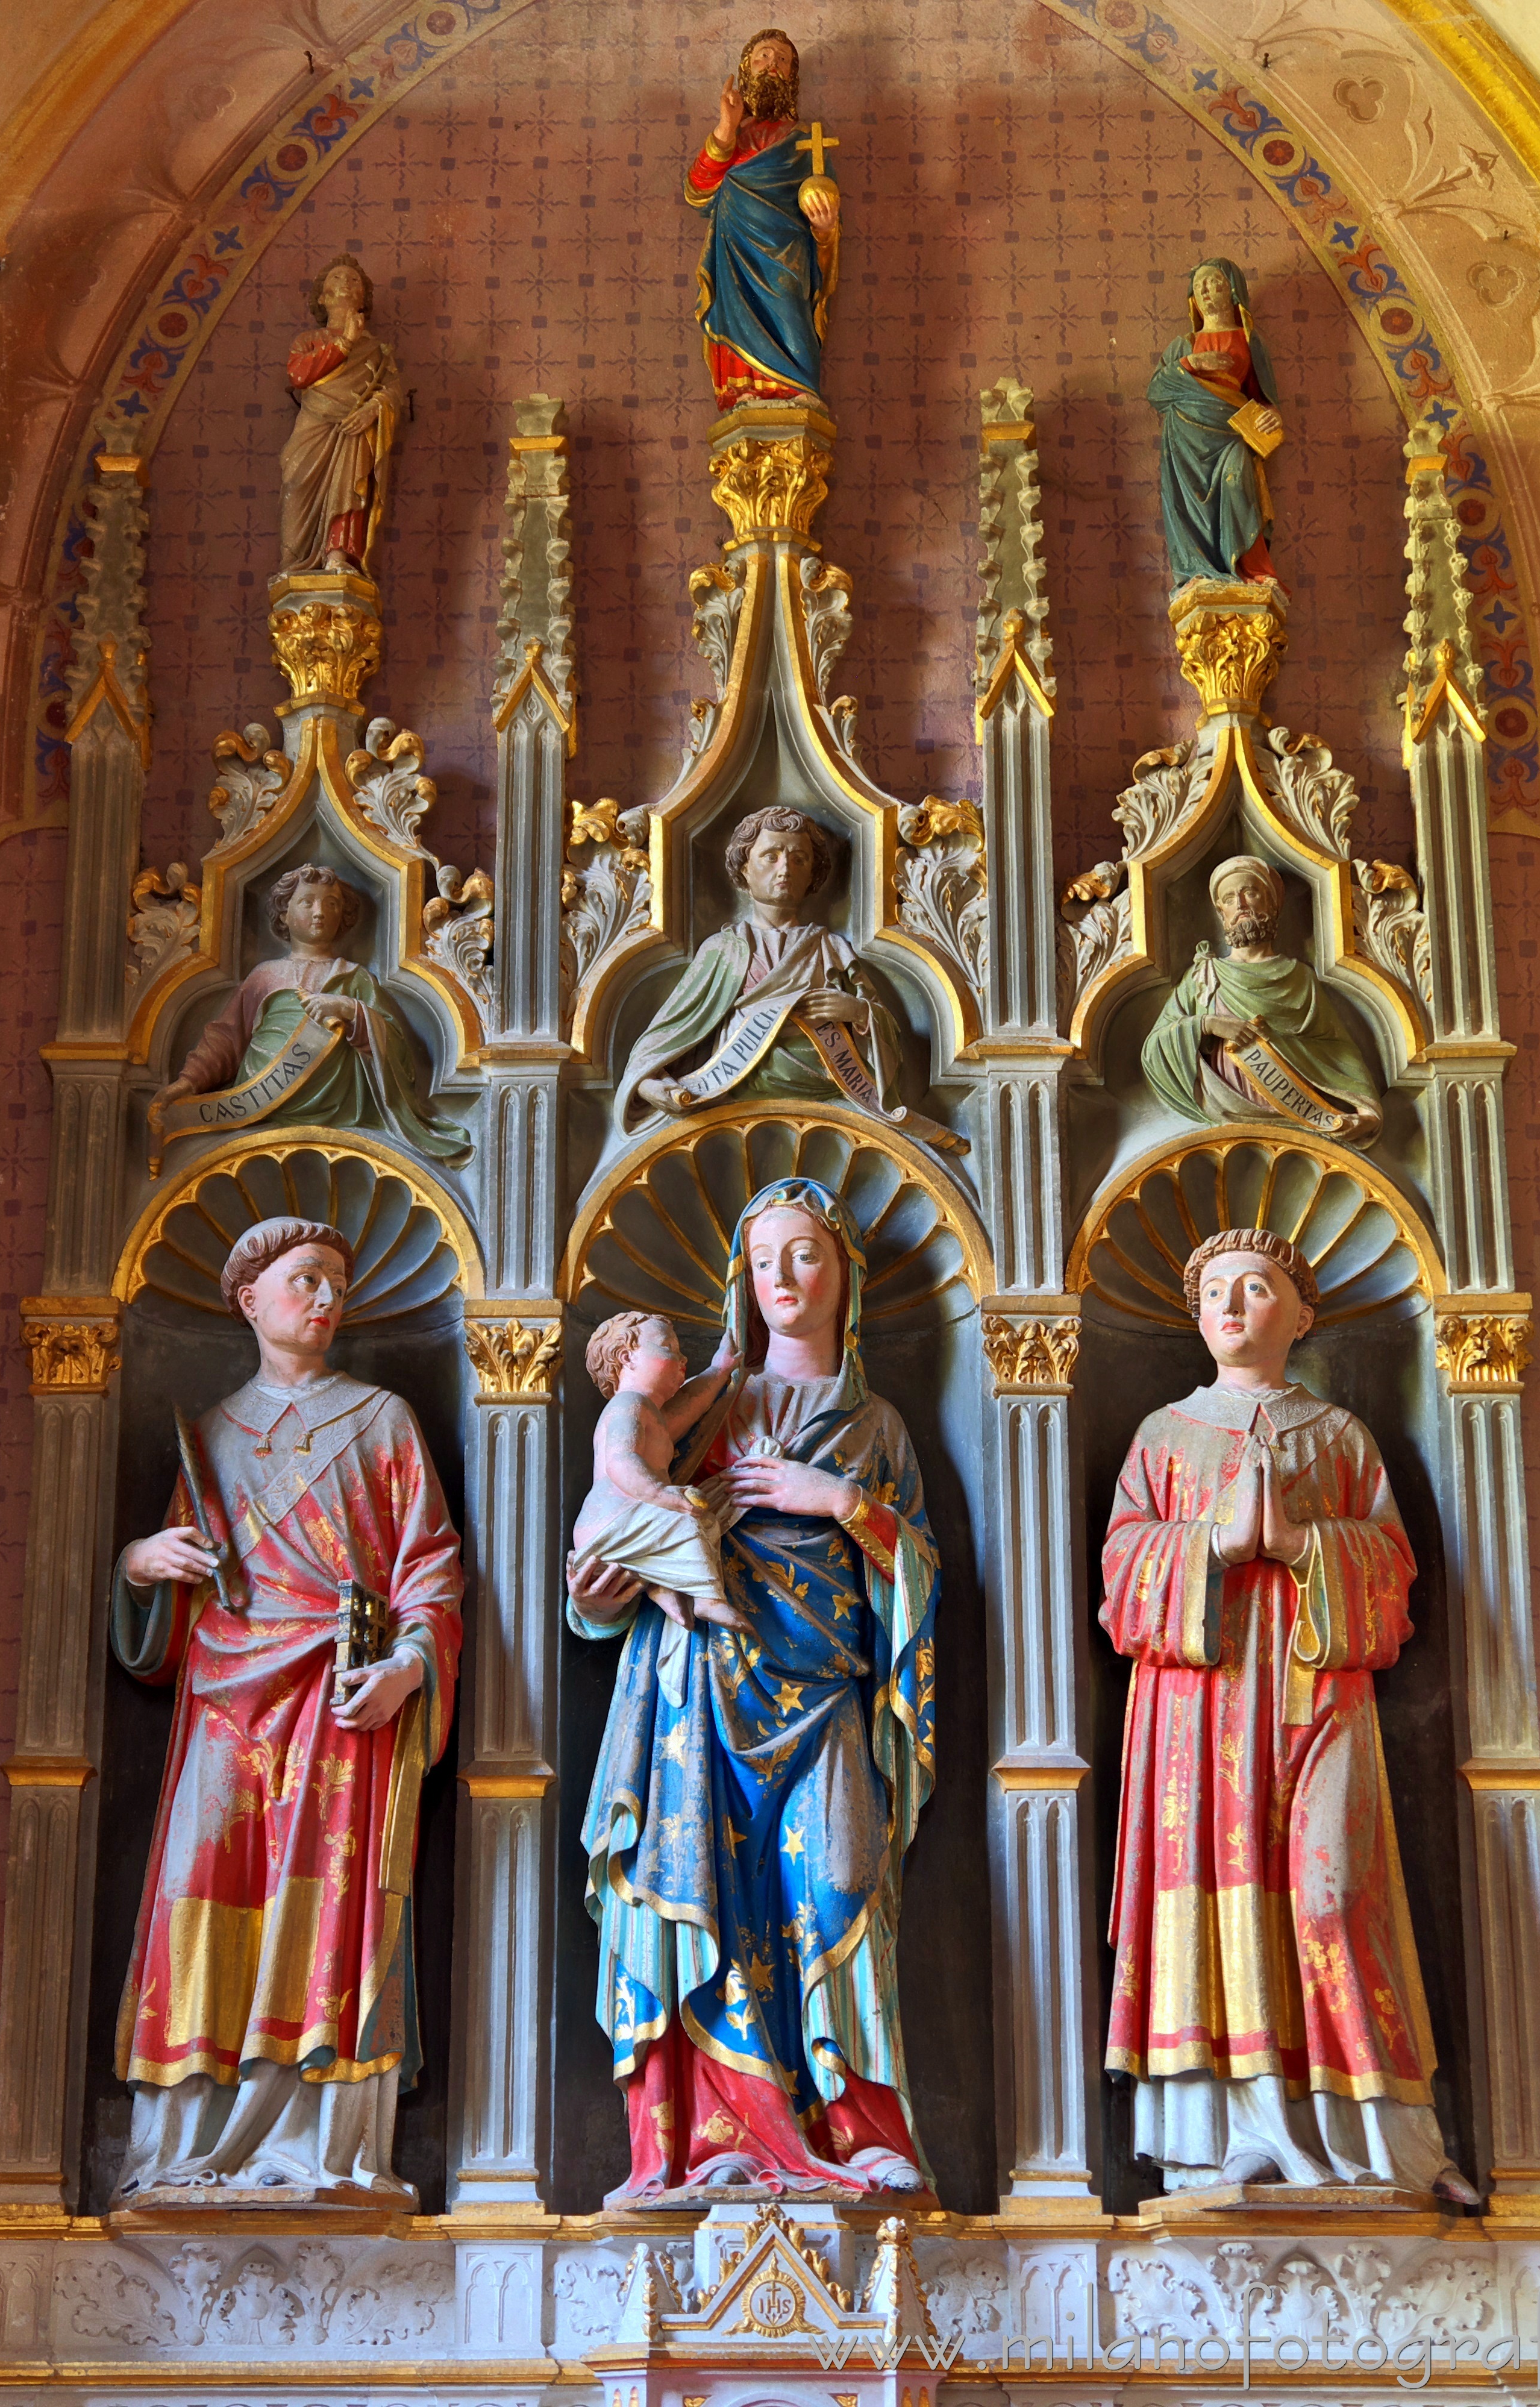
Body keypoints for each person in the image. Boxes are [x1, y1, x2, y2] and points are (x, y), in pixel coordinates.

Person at [567, 1179, 938, 2203]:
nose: (782, 1277)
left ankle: (856, 2124)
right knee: (701, 1897)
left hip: (824, 1694)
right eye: (763, 1259)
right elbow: (619, 1525)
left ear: (844, 1277)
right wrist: (595, 1594)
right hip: (693, 1690)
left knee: (838, 1884)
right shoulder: (706, 1405)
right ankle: (708, 2133)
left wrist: (844, 1502)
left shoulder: (875, 1422)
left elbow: (924, 1572)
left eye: (805, 1254)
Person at [1100, 1226, 1478, 2203]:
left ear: (1302, 1312)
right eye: (1214, 1289)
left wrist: (1306, 1540)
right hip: (1200, 1710)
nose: (1232, 1305)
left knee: (1331, 1892)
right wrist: (1214, 1547)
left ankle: (1394, 2143)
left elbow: (1392, 1575)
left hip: (1317, 1700)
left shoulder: (1339, 1433)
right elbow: (1119, 1579)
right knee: (1218, 1896)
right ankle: (1239, 2130)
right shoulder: (1164, 1434)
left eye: (1257, 1286)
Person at [110, 1216, 462, 2202]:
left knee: (329, 1905)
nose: (325, 1297)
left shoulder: (383, 1417)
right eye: (305, 1278)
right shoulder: (211, 1436)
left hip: (337, 1697)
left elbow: (429, 1562)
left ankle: (318, 2147)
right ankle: (185, 2147)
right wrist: (143, 1563)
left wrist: (407, 1663)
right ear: (250, 1297)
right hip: (226, 1701)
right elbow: (181, 1598)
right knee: (199, 1890)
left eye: (338, 1283)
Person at [616, 808, 963, 1153]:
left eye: (799, 859)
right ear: (744, 868)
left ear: (813, 874)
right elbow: (670, 1031)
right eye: (771, 856)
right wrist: (648, 1084)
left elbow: (888, 1036)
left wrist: (858, 1012)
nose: (785, 869)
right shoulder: (723, 950)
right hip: (730, 1094)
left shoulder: (831, 948)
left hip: (832, 1095)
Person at [148, 862, 473, 1167]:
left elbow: (397, 1050)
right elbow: (225, 1039)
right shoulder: (265, 975)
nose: (320, 913)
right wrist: (186, 1085)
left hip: (340, 1108)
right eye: (307, 903)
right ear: (285, 915)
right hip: (259, 1104)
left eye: (331, 904)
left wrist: (350, 1010)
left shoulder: (355, 977)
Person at [1141, 855, 1382, 1144]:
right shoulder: (1204, 975)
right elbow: (1154, 1047)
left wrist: (1366, 1111)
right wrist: (1207, 1024)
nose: (1241, 904)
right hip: (1224, 1108)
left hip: (1298, 1112)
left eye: (1250, 893)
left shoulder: (1300, 978)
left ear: (1271, 904)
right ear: (1222, 914)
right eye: (1229, 899)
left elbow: (1336, 1047)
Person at [572, 1311, 747, 1705]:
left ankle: (661, 1588)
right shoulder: (627, 1406)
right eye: (668, 1348)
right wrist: (664, 1495)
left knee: (692, 1525)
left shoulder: (651, 1414)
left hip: (626, 1520)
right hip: (612, 1518)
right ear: (626, 1357)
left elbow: (690, 1405)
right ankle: (706, 1598)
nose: (682, 1360)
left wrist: (719, 1370)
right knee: (690, 1521)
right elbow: (622, 1464)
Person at [685, 28, 839, 408]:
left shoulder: (807, 140)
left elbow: (827, 211)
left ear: (792, 77)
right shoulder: (730, 138)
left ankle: (797, 389)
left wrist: (824, 227)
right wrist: (726, 126)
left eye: (783, 60)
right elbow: (698, 193)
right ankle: (743, 393)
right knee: (737, 313)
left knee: (789, 300)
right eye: (764, 57)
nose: (773, 66)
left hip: (789, 253)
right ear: (747, 69)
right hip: (735, 252)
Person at [1147, 257, 1282, 592]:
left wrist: (1273, 416)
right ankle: (1199, 569)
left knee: (1238, 482)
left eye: (1215, 283)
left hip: (1232, 433)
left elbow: (1264, 397)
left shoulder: (1249, 341)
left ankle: (1248, 569)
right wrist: (1193, 362)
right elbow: (1157, 392)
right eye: (1199, 286)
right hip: (1186, 438)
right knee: (1189, 504)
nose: (1207, 292)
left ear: (1233, 290)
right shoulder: (1184, 345)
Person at [280, 254, 399, 575]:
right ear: (322, 296)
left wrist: (374, 409)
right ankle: (293, 563)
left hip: (353, 428)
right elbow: (299, 376)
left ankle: (338, 558)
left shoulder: (377, 349)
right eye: (336, 278)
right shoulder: (308, 341)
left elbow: (393, 390)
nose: (346, 282)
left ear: (363, 297)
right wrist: (345, 342)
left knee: (349, 486)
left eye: (354, 280)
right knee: (295, 481)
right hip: (314, 426)